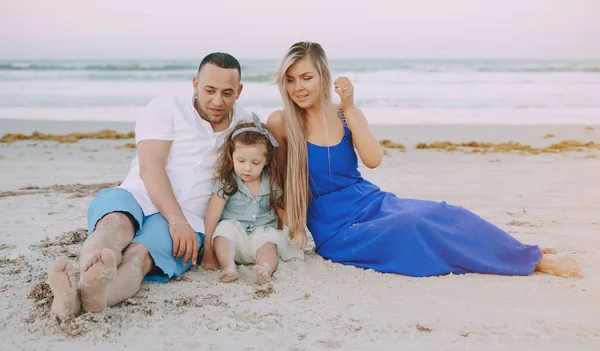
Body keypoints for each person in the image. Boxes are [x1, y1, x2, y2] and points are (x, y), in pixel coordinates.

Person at [266, 41, 581, 279]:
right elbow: (277, 183)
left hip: (371, 202)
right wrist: (290, 229)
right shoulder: (282, 122)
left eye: (305, 77)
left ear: (323, 75)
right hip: (336, 228)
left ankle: (520, 251)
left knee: (443, 213)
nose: (298, 88)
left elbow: (373, 160)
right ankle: (532, 262)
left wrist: (349, 106)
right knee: (411, 225)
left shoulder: (345, 115)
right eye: (290, 80)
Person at [47, 52, 251, 320]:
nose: (217, 101)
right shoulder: (166, 107)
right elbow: (150, 169)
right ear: (195, 84)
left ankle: (96, 297)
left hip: (190, 217)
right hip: (138, 194)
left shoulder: (245, 123)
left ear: (239, 91)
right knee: (114, 225)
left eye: (227, 93)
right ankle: (86, 282)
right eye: (209, 90)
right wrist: (175, 221)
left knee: (138, 257)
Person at [201, 114, 304, 285]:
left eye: (255, 162)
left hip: (260, 238)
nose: (247, 168)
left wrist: (297, 229)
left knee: (269, 242)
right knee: (224, 230)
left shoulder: (270, 182)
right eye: (241, 161)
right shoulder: (228, 182)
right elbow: (212, 217)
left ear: (266, 161)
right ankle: (228, 266)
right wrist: (207, 252)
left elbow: (282, 213)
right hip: (234, 241)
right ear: (231, 156)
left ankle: (264, 268)